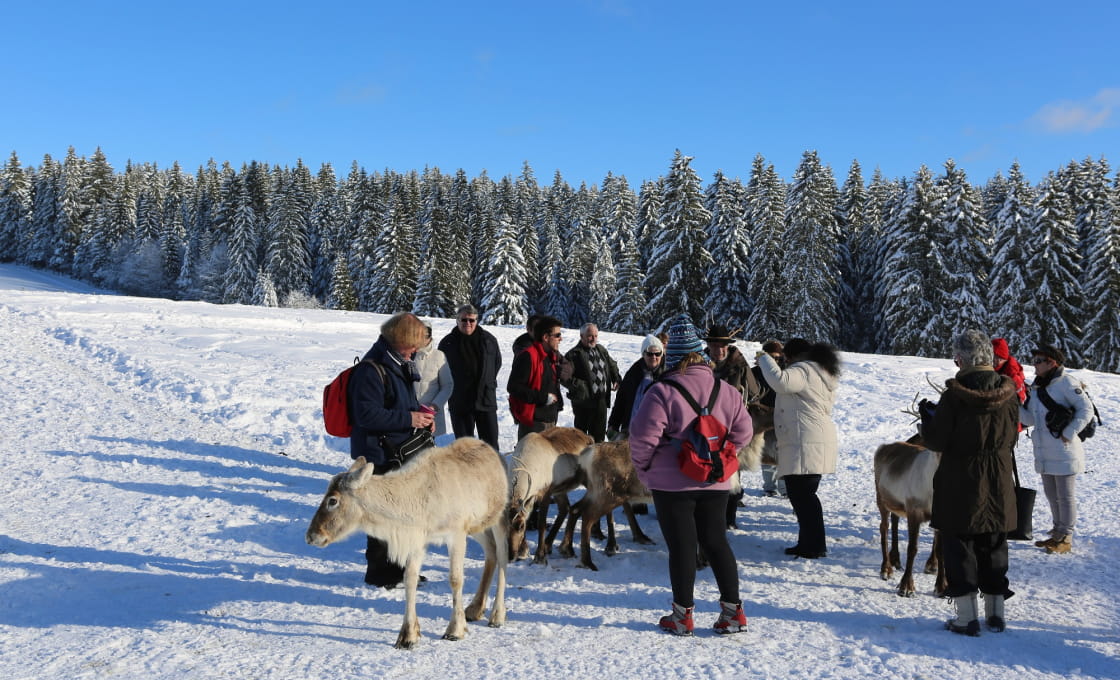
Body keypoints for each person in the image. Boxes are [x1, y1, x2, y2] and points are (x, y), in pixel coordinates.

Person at [629, 314, 754, 636]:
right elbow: (744, 432)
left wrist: (645, 469)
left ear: (671, 358)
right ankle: (732, 613)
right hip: (715, 480)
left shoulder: (661, 391)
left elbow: (643, 439)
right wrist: (724, 455)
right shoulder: (725, 390)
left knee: (682, 547)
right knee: (716, 542)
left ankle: (682, 616)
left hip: (672, 483)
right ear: (700, 353)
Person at [924, 329, 1019, 635]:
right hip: (998, 478)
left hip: (960, 479)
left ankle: (966, 618)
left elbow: (937, 441)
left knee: (959, 545)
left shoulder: (954, 395)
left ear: (961, 358)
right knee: (994, 544)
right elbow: (1013, 436)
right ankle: (996, 614)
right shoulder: (1009, 394)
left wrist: (929, 419)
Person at [348, 312, 435, 588]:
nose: (415, 352)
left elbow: (399, 402)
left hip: (398, 452)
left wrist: (421, 416)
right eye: (413, 347)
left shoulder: (399, 363)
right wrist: (410, 419)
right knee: (380, 517)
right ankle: (379, 573)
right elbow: (367, 415)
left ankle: (399, 569)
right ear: (401, 341)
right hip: (378, 455)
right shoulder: (370, 369)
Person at [757, 337, 840, 559]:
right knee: (805, 496)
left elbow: (781, 382)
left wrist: (764, 359)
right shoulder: (819, 370)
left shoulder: (803, 370)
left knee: (803, 497)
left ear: (791, 357)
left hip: (805, 441)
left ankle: (813, 546)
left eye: (785, 359)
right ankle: (810, 543)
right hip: (810, 439)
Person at [1020, 344, 1093, 555]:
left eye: (1038, 361)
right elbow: (1030, 418)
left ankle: (1066, 536)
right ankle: (1056, 533)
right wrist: (1013, 405)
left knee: (1065, 495)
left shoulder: (1066, 382)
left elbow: (1085, 409)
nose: (1034, 365)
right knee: (1052, 494)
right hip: (1045, 450)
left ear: (1052, 362)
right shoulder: (1038, 386)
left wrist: (1069, 432)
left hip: (1064, 449)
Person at [704, 323, 761, 528]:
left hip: (732, 428)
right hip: (705, 428)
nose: (718, 350)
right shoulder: (699, 364)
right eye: (714, 345)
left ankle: (729, 518)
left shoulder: (739, 365)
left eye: (722, 345)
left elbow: (755, 392)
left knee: (732, 473)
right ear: (708, 345)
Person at [438, 304, 502, 451]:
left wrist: (488, 382)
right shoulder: (447, 343)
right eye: (464, 320)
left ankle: (491, 473)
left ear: (477, 321)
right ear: (457, 320)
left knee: (491, 446)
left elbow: (496, 364)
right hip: (460, 401)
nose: (468, 323)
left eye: (472, 320)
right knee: (464, 448)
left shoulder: (489, 340)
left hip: (485, 400)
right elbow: (440, 370)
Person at [507, 316, 566, 440]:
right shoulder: (528, 356)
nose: (560, 339)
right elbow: (513, 387)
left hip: (550, 420)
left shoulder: (551, 356)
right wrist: (543, 398)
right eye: (557, 335)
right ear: (545, 337)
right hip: (533, 424)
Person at [564, 323, 621, 443]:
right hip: (583, 403)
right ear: (581, 336)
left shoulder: (601, 350)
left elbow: (612, 365)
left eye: (595, 335)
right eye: (590, 336)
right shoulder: (574, 354)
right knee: (581, 438)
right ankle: (579, 461)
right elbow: (564, 376)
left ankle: (596, 461)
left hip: (600, 401)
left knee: (599, 438)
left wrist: (616, 378)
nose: (594, 339)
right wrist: (580, 387)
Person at [608, 334, 665, 438]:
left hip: (657, 435)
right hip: (631, 431)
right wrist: (613, 424)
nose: (654, 357)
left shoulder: (667, 375)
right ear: (643, 354)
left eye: (657, 353)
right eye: (649, 353)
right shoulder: (633, 372)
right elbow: (621, 399)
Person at [753, 340, 786, 497]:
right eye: (772, 357)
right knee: (765, 452)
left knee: (784, 453)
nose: (775, 361)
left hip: (782, 415)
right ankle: (769, 487)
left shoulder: (784, 373)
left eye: (778, 358)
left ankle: (784, 488)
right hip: (762, 416)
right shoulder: (755, 372)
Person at [414, 323, 453, 437]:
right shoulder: (407, 355)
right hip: (411, 415)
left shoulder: (439, 356)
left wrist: (434, 406)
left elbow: (448, 385)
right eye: (419, 334)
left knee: (434, 451)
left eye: (426, 335)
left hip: (432, 416)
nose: (422, 338)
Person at [992, 337, 1027, 404]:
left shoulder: (1011, 373)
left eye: (995, 357)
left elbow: (1022, 398)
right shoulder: (995, 368)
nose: (993, 361)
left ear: (1001, 358)